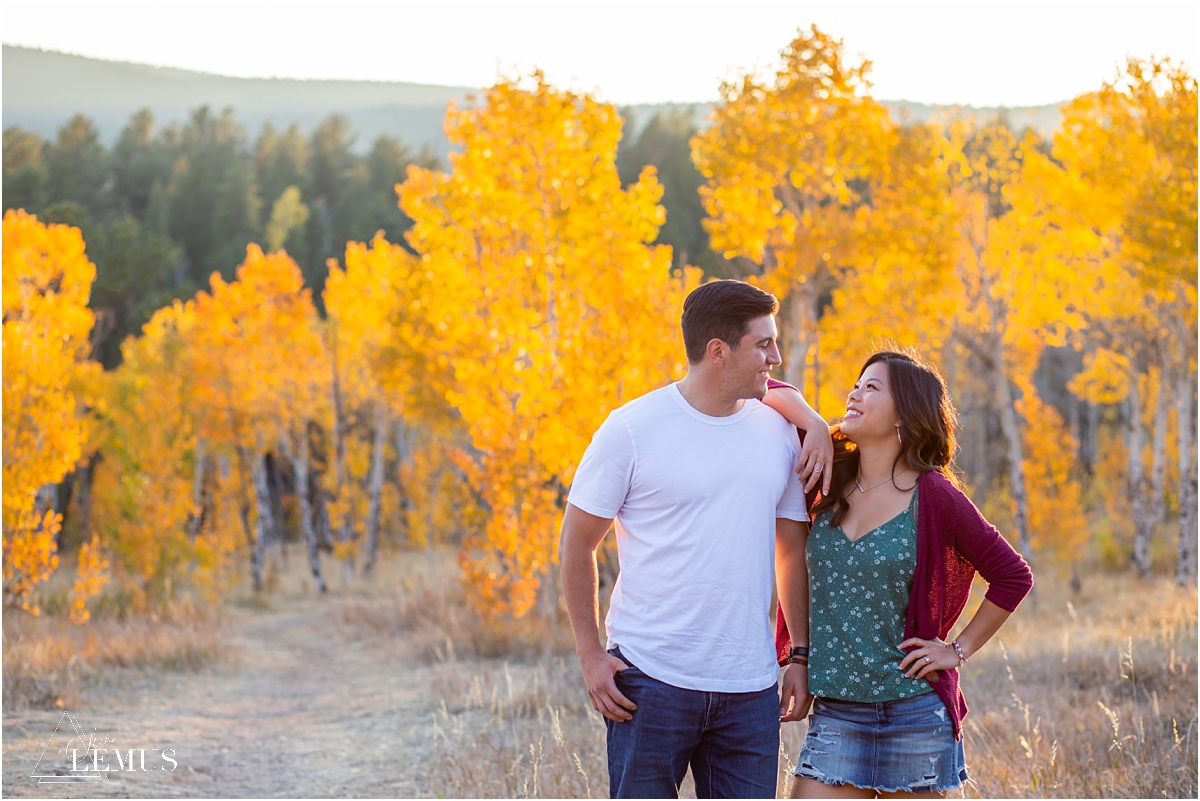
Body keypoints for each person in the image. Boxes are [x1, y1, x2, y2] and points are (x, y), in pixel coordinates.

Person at [559, 279, 833, 798]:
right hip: (650, 679)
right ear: (717, 353)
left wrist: (799, 654)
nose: (776, 357)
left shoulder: (776, 431)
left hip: (749, 689)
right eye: (763, 344)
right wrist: (591, 655)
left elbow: (790, 551)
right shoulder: (632, 430)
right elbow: (576, 543)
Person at [767, 350, 1034, 798]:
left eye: (871, 387)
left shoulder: (934, 496)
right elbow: (764, 390)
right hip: (836, 713)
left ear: (903, 415)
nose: (854, 393)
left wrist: (958, 650)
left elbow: (1012, 575)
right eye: (856, 383)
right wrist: (814, 422)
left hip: (915, 713)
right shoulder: (825, 474)